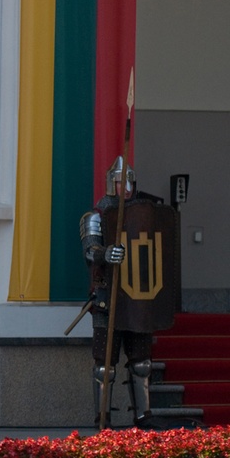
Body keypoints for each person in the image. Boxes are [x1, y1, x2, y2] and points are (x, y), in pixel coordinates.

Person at [80, 156, 178, 429]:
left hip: (137, 298)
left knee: (142, 363)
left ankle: (143, 416)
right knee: (104, 367)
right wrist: (105, 252)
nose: (125, 187)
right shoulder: (96, 217)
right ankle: (103, 417)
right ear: (111, 183)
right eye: (120, 181)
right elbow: (90, 252)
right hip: (107, 298)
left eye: (129, 182)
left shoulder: (144, 216)